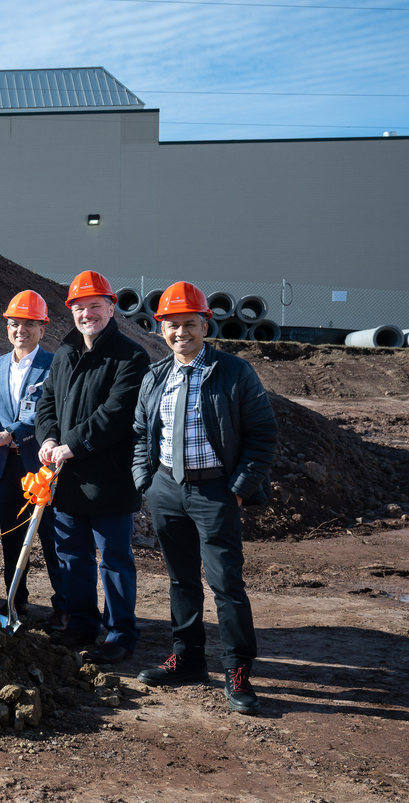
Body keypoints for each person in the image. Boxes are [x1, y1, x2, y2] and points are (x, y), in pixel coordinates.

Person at [133, 281, 278, 712]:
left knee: (226, 584)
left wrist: (236, 491)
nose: (181, 333)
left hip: (216, 491)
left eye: (190, 324)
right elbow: (142, 433)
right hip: (166, 490)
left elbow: (262, 434)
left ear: (205, 325)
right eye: (173, 326)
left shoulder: (234, 372)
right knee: (181, 580)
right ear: (161, 329)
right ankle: (189, 659)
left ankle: (237, 670)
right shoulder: (155, 377)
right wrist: (147, 482)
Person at [35, 270, 150, 663]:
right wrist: (48, 438)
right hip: (66, 480)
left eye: (95, 307)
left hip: (110, 481)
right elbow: (46, 402)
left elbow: (115, 415)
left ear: (112, 307)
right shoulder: (65, 352)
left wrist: (71, 445)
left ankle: (121, 634)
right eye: (80, 308)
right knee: (72, 557)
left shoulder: (131, 357)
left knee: (114, 560)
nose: (88, 315)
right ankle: (82, 624)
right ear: (70, 311)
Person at [0, 290, 64, 620]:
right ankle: (15, 599)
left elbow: (50, 413)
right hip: (3, 465)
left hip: (41, 465)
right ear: (6, 326)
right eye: (14, 324)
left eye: (28, 324)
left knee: (53, 538)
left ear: (42, 328)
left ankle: (64, 607)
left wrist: (12, 433)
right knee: (11, 535)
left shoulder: (55, 365)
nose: (20, 330)